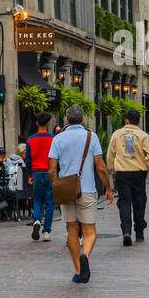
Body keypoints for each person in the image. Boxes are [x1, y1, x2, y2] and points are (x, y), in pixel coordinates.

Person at [48, 104, 113, 284]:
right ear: (83, 119)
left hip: (66, 190)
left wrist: (56, 186)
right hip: (87, 190)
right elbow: (100, 167)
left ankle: (78, 270)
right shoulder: (92, 137)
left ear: (66, 119)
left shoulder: (57, 139)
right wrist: (108, 188)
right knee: (89, 231)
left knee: (71, 229)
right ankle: (85, 254)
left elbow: (51, 170)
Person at [107, 107, 149, 246]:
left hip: (122, 173)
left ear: (126, 120)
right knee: (139, 202)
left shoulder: (117, 134)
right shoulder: (143, 135)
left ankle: (126, 231)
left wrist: (112, 169)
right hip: (138, 173)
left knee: (124, 202)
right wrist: (148, 167)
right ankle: (139, 233)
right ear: (139, 121)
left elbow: (110, 154)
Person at [26, 113, 56, 242]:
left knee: (37, 199)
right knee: (50, 202)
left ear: (36, 123)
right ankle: (47, 231)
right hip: (50, 172)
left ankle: (37, 219)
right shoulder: (53, 139)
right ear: (48, 123)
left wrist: (29, 175)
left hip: (36, 173)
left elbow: (28, 160)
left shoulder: (30, 139)